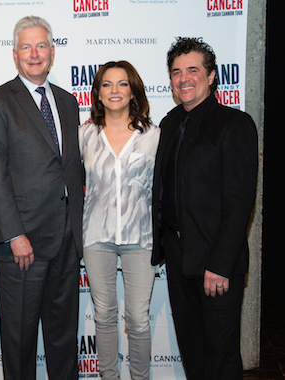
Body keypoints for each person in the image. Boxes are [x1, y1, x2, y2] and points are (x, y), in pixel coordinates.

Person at [0, 15, 84, 380]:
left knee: (63, 336)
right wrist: (13, 234)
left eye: (41, 46)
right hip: (22, 243)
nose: (34, 54)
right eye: (26, 47)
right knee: (19, 342)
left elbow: (70, 166)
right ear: (14, 54)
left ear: (52, 53)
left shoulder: (68, 102)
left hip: (67, 240)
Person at [151, 38, 258, 380]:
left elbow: (240, 202)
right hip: (179, 257)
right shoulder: (168, 124)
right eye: (176, 72)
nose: (184, 78)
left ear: (211, 76)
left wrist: (220, 265)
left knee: (221, 355)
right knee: (192, 352)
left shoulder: (234, 124)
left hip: (216, 264)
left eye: (193, 70)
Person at [79, 61, 159, 380]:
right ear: (97, 93)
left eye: (122, 84)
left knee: (138, 319)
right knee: (104, 316)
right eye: (107, 84)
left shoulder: (153, 136)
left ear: (133, 90)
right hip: (96, 236)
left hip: (141, 237)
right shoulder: (84, 135)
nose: (114, 91)